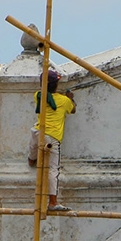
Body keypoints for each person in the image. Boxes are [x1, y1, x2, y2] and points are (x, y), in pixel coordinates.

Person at [28, 69, 76, 212]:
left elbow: (47, 95)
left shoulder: (38, 95)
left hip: (38, 131)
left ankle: (31, 159)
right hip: (53, 137)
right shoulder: (64, 101)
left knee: (34, 146)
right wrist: (70, 97)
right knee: (52, 170)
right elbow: (73, 110)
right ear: (56, 85)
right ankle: (53, 202)